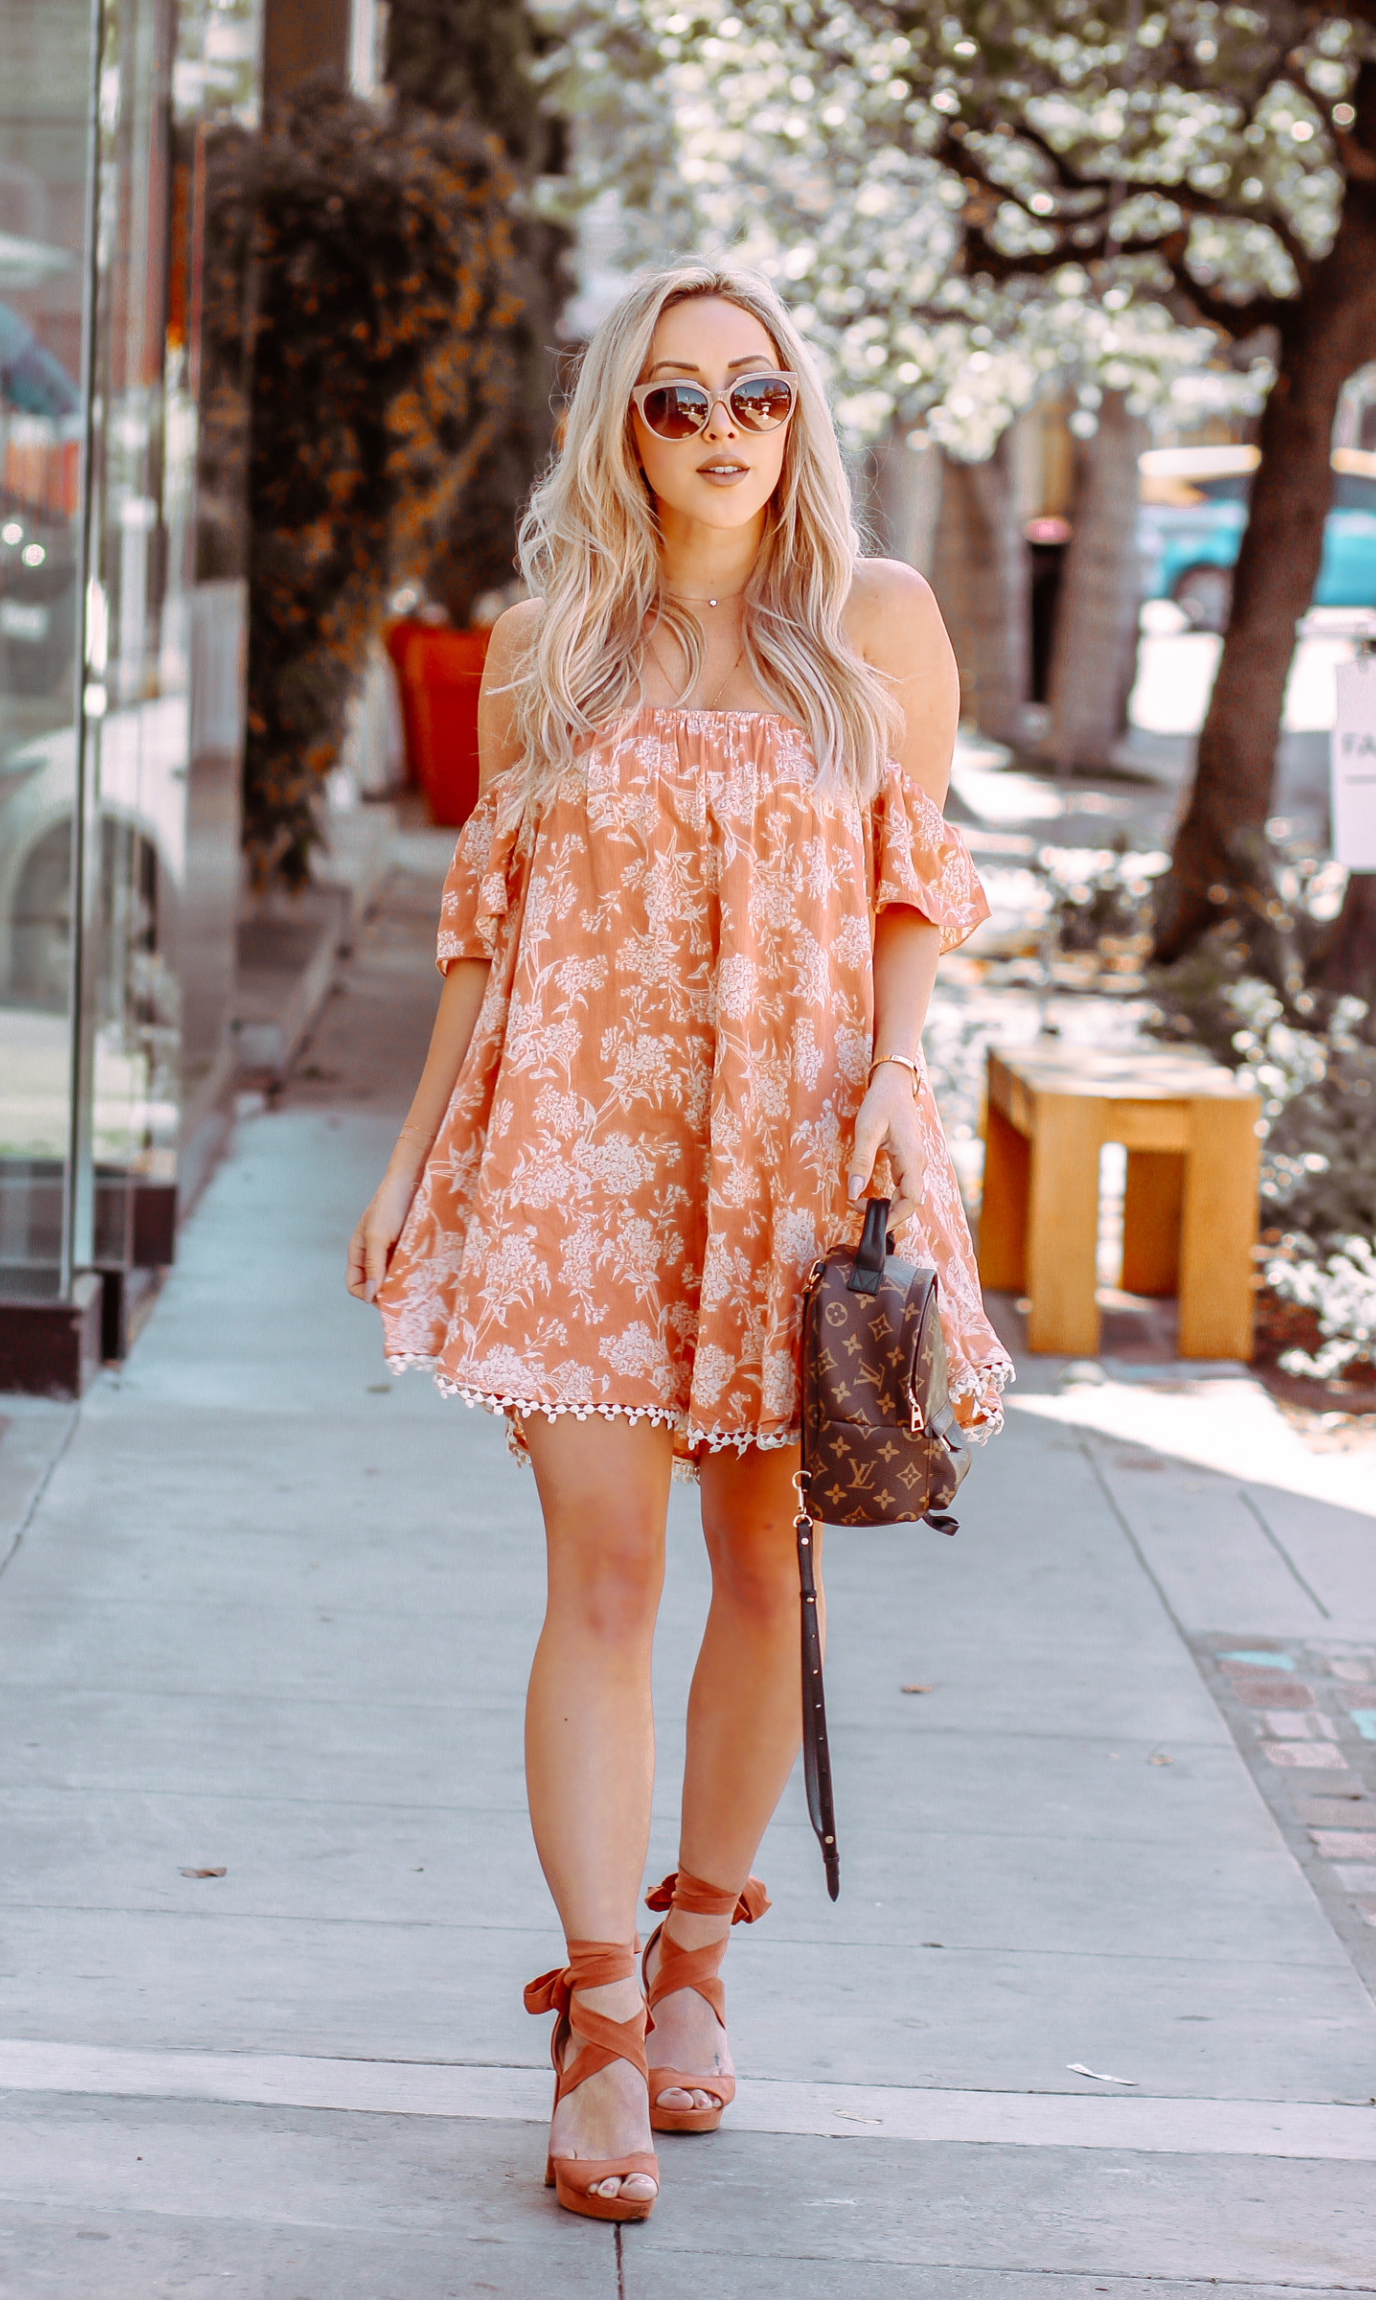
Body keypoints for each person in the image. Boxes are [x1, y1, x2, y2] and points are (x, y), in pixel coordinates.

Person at [348, 263, 1011, 2223]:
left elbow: (907, 882)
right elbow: (488, 914)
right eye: (672, 400)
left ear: (797, 410)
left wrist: (898, 1078)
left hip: (794, 1146)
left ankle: (702, 1946)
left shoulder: (869, 619)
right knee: (605, 1574)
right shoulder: (553, 630)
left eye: (753, 391)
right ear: (614, 427)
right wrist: (411, 1157)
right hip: (579, 1151)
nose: (721, 427)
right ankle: (604, 2022)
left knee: (755, 1562)